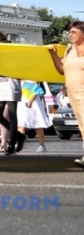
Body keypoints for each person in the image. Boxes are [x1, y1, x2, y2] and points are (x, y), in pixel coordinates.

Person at [49, 21, 84, 168]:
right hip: (73, 95)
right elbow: (62, 70)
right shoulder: (69, 50)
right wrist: (53, 55)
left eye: (74, 32)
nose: (70, 35)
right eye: (70, 32)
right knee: (82, 125)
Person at [0, 32, 21, 155]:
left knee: (12, 115)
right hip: (0, 88)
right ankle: (18, 135)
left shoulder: (13, 52)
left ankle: (11, 144)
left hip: (11, 86)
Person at [17, 79, 51, 153]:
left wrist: (30, 101)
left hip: (34, 103)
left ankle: (42, 145)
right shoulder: (18, 79)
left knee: (38, 125)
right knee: (21, 124)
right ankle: (19, 143)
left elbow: (36, 90)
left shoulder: (33, 79)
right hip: (22, 103)